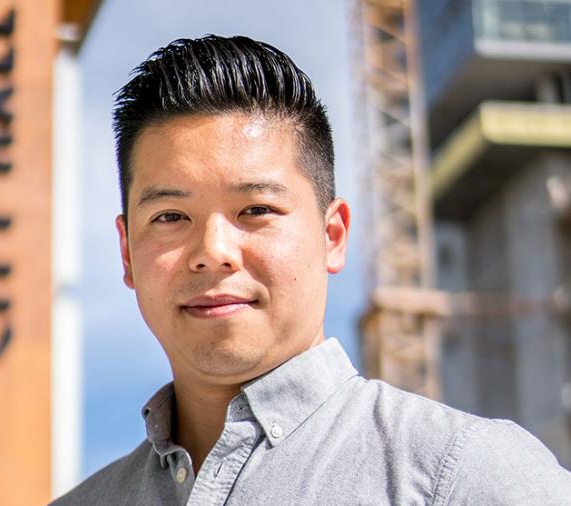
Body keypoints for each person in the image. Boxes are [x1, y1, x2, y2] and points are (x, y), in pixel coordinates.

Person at [52, 35, 571, 505]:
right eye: (170, 217)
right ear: (127, 253)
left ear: (333, 235)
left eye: (255, 210)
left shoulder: (464, 478)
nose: (212, 251)